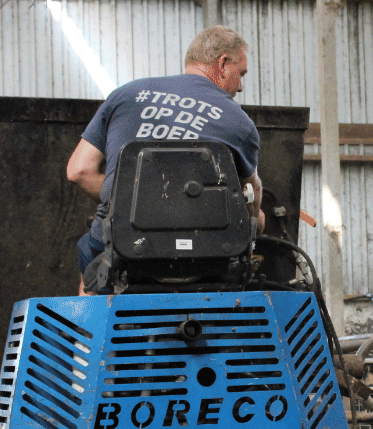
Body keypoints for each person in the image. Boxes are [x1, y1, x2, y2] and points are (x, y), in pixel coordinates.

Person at [67, 25, 263, 293]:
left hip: (123, 246)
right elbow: (251, 193)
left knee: (93, 273)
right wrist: (257, 219)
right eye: (241, 74)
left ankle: (91, 315)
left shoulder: (126, 94)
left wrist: (134, 201)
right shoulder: (240, 122)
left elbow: (78, 171)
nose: (240, 86)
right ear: (223, 63)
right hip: (207, 255)